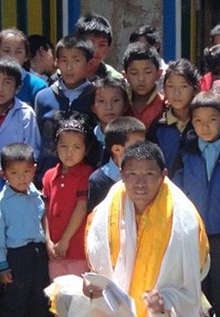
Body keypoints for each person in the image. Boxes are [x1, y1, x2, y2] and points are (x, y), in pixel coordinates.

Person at [53, 141, 208, 317]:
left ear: (163, 175)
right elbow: (98, 264)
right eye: (132, 174)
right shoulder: (106, 212)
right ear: (122, 175)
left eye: (149, 174)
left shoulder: (184, 218)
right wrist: (92, 286)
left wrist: (167, 299)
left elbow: (198, 269)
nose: (140, 183)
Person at [173, 93, 220, 317]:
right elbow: (174, 194)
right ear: (191, 122)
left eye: (212, 119)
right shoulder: (185, 155)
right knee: (194, 288)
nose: (205, 126)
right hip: (190, 234)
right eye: (198, 120)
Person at [0, 143, 52, 317]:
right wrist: (2, 266)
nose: (21, 178)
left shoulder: (37, 195)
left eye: (26, 172)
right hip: (16, 257)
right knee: (15, 302)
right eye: (14, 173)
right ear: (4, 174)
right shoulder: (1, 203)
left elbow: (43, 220)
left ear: (34, 170)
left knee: (39, 299)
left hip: (38, 254)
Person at [33, 35, 99, 173]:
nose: (69, 67)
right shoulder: (43, 97)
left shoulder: (97, 96)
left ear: (89, 64)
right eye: (64, 60)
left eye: (76, 61)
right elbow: (37, 140)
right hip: (48, 177)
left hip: (84, 178)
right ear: (56, 62)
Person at [43, 119, 94, 279]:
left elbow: (81, 207)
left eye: (76, 147)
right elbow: (44, 210)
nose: (69, 153)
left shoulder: (87, 173)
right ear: (56, 147)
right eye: (63, 146)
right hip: (54, 250)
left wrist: (65, 240)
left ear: (86, 150)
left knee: (78, 296)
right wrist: (48, 241)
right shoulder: (49, 175)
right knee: (56, 296)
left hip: (77, 249)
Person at [0, 57, 40, 168]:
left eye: (7, 82)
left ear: (18, 87)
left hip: (16, 178)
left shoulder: (26, 115)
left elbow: (32, 152)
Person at [146, 59, 198, 173]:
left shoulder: (201, 123)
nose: (176, 93)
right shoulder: (159, 126)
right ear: (163, 89)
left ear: (194, 89)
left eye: (183, 86)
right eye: (170, 86)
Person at [0, 29, 49, 105]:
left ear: (26, 56)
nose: (12, 56)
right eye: (6, 51)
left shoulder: (38, 86)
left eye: (18, 52)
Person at [89, 117, 149, 211]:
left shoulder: (147, 176)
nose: (143, 149)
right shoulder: (99, 181)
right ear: (117, 149)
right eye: (137, 145)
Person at [87, 76, 129, 166]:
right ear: (93, 107)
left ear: (125, 105)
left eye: (115, 100)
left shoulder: (132, 138)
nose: (109, 107)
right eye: (102, 101)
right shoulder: (88, 137)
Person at [121, 43, 165, 127]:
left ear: (159, 74)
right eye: (134, 73)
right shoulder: (120, 104)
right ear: (125, 76)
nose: (141, 79)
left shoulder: (166, 106)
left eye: (147, 72)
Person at [73, 14, 124, 79]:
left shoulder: (115, 79)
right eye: (90, 43)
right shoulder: (63, 75)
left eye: (102, 45)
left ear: (109, 48)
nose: (96, 51)